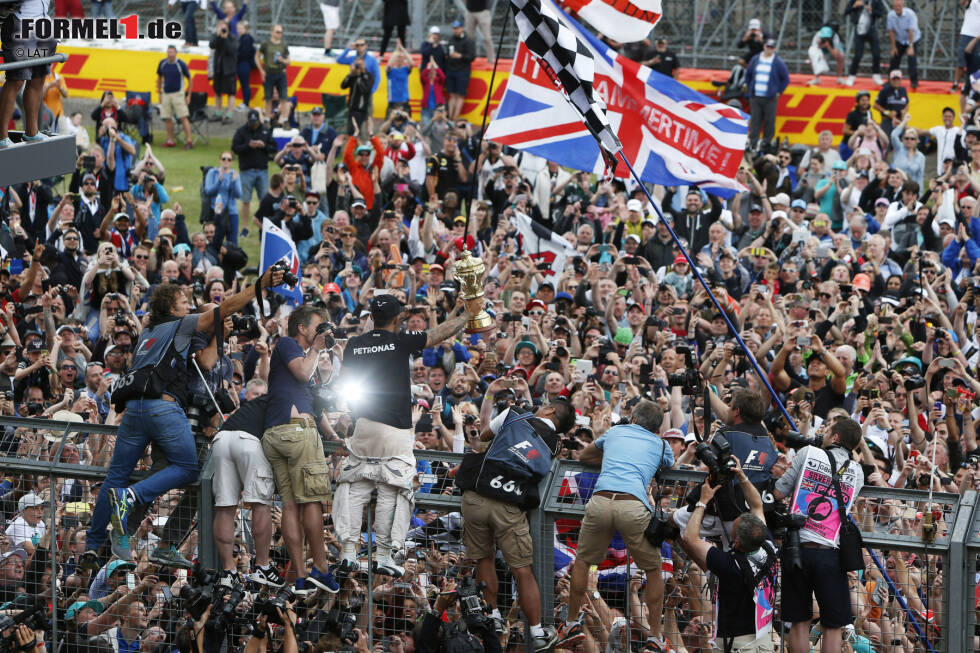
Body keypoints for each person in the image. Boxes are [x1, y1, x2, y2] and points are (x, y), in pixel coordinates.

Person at [78, 267, 282, 570]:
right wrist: (259, 286)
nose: (188, 304)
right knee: (187, 468)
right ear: (172, 308)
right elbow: (222, 309)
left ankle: (93, 546)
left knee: (115, 477)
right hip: (163, 408)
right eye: (184, 301)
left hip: (134, 410)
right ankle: (131, 497)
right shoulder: (181, 325)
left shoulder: (149, 329)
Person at [333, 293, 481, 576]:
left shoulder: (355, 343)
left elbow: (344, 382)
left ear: (372, 317)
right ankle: (385, 555)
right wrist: (465, 314)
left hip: (363, 426)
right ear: (398, 318)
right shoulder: (400, 340)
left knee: (355, 486)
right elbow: (438, 334)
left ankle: (349, 553)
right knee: (394, 489)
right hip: (396, 429)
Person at [455, 394, 576, 652]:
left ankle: (495, 617)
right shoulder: (556, 446)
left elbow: (484, 436)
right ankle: (536, 631)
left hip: (477, 495)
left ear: (550, 409)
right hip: (510, 504)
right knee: (522, 570)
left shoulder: (515, 414)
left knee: (484, 559)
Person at [557, 400, 674, 653]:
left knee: (583, 563)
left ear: (632, 416)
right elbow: (669, 464)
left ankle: (571, 623)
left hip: (600, 501)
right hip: (632, 504)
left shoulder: (615, 431)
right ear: (657, 426)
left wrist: (613, 457)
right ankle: (655, 637)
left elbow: (585, 455)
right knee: (654, 571)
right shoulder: (661, 443)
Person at [262, 304, 341, 594]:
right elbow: (302, 373)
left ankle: (299, 575)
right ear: (302, 328)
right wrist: (318, 348)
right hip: (296, 433)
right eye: (318, 327)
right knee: (312, 503)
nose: (322, 332)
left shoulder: (300, 353)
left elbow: (318, 400)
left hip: (279, 435)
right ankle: (321, 567)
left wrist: (333, 435)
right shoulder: (286, 344)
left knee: (291, 507)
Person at [773, 417, 864, 653]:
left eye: (827, 431)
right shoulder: (857, 471)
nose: (821, 433)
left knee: (800, 620)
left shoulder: (808, 453)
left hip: (797, 549)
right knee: (833, 625)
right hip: (831, 555)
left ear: (835, 437)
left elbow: (778, 492)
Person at [679, 458, 776, 653]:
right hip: (763, 640)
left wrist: (702, 501)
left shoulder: (729, 565)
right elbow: (756, 505)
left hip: (738, 645)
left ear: (737, 543)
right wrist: (741, 476)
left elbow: (690, 538)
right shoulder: (767, 546)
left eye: (735, 525)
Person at [210, 385, 283, 588]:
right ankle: (262, 566)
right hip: (249, 441)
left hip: (222, 438)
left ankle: (228, 572)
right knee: (261, 505)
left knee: (225, 508)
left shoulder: (264, 400)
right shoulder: (287, 399)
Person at [0, 0, 58, 148]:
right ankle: (1, 135)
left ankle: (31, 131)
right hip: (19, 23)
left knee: (38, 79)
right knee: (16, 80)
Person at [232, 108, 276, 229]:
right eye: (252, 123)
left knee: (264, 200)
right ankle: (245, 226)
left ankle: (264, 225)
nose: (254, 125)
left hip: (262, 171)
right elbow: (235, 148)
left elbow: (274, 148)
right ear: (248, 121)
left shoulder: (265, 131)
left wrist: (264, 146)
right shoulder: (241, 131)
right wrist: (248, 146)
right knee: (245, 200)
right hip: (246, 170)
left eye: (255, 123)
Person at [745, 39, 789, 153]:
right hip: (756, 96)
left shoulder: (777, 61)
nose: (769, 49)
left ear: (774, 49)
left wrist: (778, 91)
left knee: (769, 121)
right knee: (755, 120)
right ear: (764, 46)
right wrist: (751, 88)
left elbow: (785, 78)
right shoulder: (756, 59)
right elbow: (748, 74)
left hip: (769, 97)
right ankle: (753, 143)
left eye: (771, 47)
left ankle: (766, 142)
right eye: (767, 46)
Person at [156, 45, 193, 150]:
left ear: (176, 53)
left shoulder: (180, 64)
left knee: (183, 116)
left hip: (178, 94)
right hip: (166, 94)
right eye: (169, 52)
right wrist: (159, 93)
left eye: (172, 52)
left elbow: (190, 79)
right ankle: (170, 140)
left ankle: (189, 140)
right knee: (167, 117)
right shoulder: (162, 64)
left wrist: (188, 95)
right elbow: (159, 78)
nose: (170, 54)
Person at [203, 152, 243, 245]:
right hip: (215, 211)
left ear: (232, 162)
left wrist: (233, 182)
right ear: (220, 160)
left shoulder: (235, 174)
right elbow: (208, 191)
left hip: (231, 212)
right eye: (224, 159)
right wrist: (219, 182)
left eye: (229, 159)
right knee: (214, 240)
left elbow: (238, 194)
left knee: (232, 241)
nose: (226, 161)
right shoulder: (212, 172)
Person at [845, 0, 886, 86]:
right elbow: (846, 11)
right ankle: (852, 75)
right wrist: (854, 6)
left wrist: (871, 10)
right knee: (858, 55)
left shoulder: (876, 1)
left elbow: (881, 13)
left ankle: (876, 75)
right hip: (859, 29)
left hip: (871, 28)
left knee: (876, 53)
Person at [256, 25, 291, 122]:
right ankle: (267, 119)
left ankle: (284, 119)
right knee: (268, 98)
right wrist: (261, 71)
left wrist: (282, 60)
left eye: (281, 32)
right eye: (277, 32)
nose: (280, 34)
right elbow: (257, 56)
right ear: (272, 32)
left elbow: (288, 60)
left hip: (280, 73)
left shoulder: (283, 45)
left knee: (284, 97)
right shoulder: (266, 44)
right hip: (269, 73)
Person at [445, 20, 476, 121]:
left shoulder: (468, 41)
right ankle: (450, 118)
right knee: (452, 95)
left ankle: (455, 117)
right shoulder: (451, 39)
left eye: (457, 28)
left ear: (461, 28)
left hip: (462, 71)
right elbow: (447, 53)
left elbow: (472, 57)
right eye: (454, 28)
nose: (455, 30)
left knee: (460, 95)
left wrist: (460, 56)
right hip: (451, 70)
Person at [887, 0, 921, 90]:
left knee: (912, 59)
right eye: (895, 6)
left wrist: (910, 47)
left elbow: (911, 31)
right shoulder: (890, 15)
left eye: (899, 6)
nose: (897, 8)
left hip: (912, 39)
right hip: (899, 39)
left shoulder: (910, 14)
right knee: (894, 59)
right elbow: (891, 32)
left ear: (903, 6)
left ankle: (914, 82)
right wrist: (893, 47)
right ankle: (891, 81)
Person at [209, 20, 238, 124]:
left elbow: (231, 50)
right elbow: (211, 45)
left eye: (223, 26)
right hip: (218, 68)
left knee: (231, 93)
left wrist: (225, 38)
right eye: (220, 26)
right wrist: (218, 36)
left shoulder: (233, 38)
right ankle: (218, 113)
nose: (221, 28)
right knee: (217, 92)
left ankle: (229, 115)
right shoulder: (216, 36)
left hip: (229, 69)